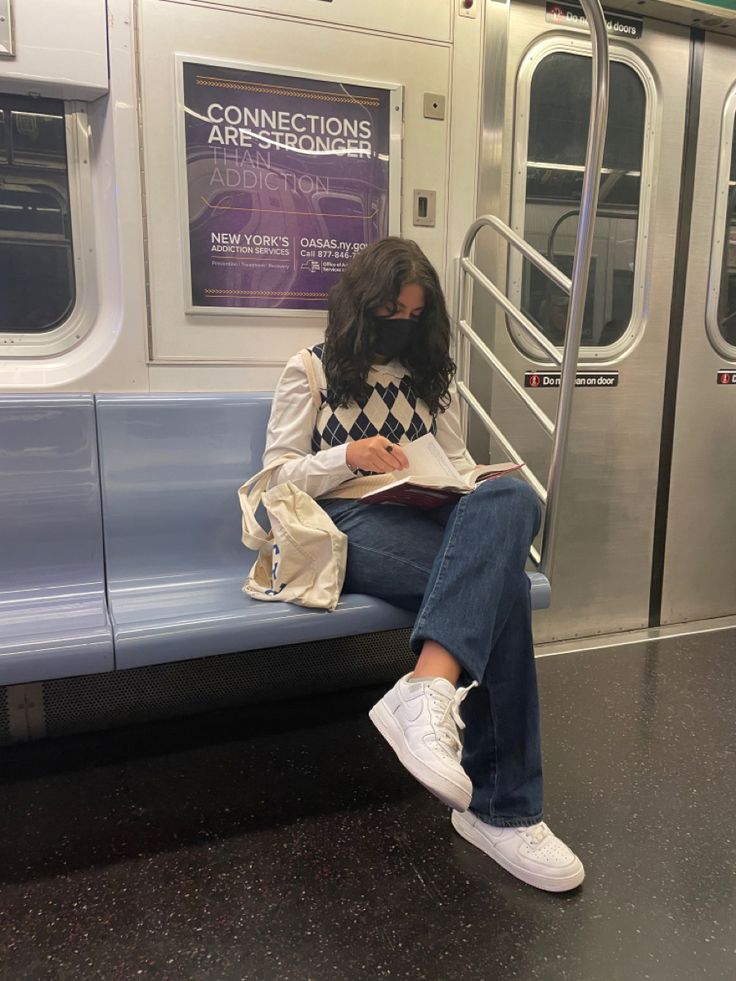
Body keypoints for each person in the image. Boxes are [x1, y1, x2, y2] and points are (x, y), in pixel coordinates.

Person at [262, 237, 584, 892]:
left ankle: (426, 690)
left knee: (513, 494)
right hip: (351, 519)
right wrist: (347, 457)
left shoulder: (430, 379)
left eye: (414, 314)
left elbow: (458, 464)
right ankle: (503, 810)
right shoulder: (312, 371)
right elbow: (276, 481)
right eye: (391, 310)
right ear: (361, 305)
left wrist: (470, 481)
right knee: (508, 591)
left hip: (430, 514)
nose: (402, 325)